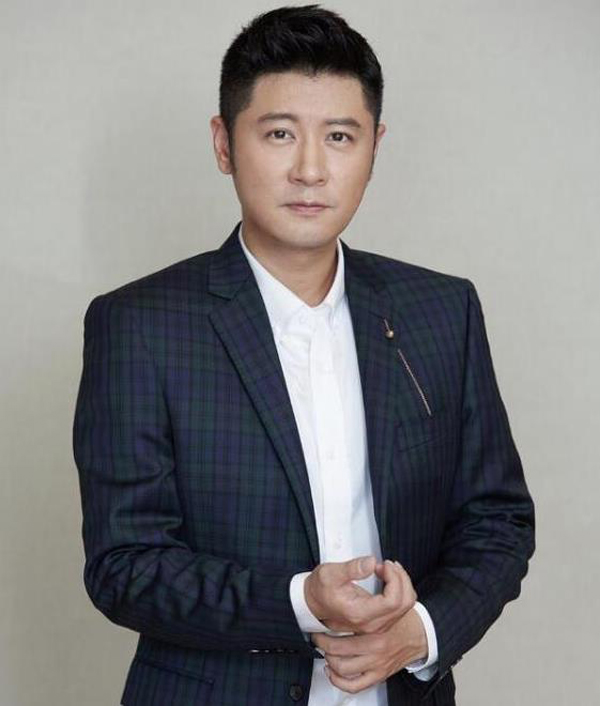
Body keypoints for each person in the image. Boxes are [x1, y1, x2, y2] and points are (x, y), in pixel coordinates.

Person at [72, 5, 535, 706]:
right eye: (280, 133)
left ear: (374, 147)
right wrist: (299, 602)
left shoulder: (442, 311)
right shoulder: (139, 324)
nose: (311, 169)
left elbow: (497, 520)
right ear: (224, 143)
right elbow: (124, 566)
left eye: (340, 136)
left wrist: (422, 631)